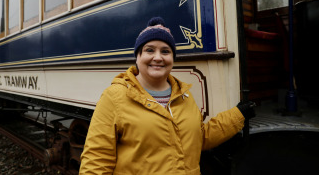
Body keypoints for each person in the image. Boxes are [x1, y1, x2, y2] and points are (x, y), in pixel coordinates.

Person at [79, 17, 255, 174]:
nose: (158, 57)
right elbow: (96, 161)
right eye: (149, 50)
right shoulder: (114, 97)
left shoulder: (183, 95)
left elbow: (199, 137)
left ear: (172, 58)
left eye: (165, 51)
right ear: (138, 56)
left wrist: (238, 115)